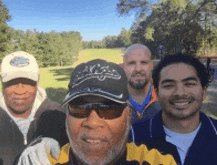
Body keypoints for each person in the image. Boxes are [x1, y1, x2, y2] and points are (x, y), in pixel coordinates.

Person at [18, 59, 177, 165]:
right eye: (79, 107)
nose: (92, 123)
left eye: (108, 108)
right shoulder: (46, 160)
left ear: (129, 117)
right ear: (67, 117)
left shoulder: (155, 161)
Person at [132, 53, 217, 165]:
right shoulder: (132, 138)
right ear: (156, 93)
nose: (179, 93)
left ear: (204, 92)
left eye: (189, 84)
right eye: (169, 85)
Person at [0, 51, 68, 165]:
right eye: (12, 82)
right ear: (2, 81)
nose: (20, 90)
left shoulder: (58, 114)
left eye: (28, 81)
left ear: (37, 80)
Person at [122, 44, 160, 125]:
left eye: (144, 63)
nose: (138, 69)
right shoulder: (114, 100)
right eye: (131, 63)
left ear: (151, 65)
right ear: (123, 67)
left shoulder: (164, 96)